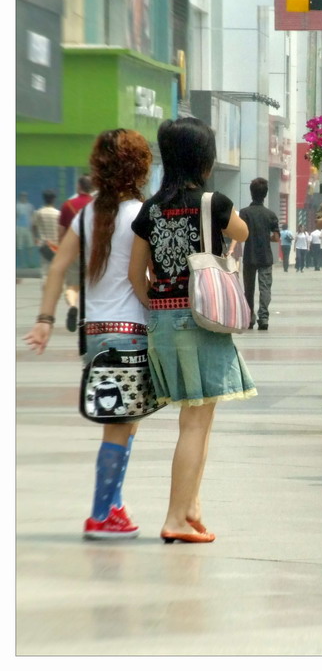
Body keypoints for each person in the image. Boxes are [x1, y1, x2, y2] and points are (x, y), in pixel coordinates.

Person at [128, 117, 256, 544]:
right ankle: (175, 518)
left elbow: (136, 274)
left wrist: (158, 307)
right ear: (205, 158)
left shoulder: (150, 208)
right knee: (196, 423)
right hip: (202, 318)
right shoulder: (212, 201)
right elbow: (242, 231)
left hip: (163, 322)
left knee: (196, 417)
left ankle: (191, 507)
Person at [24, 128, 153, 539]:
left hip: (95, 334)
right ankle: (100, 514)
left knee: (125, 421)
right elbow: (142, 278)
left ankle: (113, 505)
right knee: (120, 425)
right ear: (139, 166)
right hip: (130, 332)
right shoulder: (141, 214)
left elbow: (58, 268)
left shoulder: (88, 212)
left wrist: (45, 319)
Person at [237, 178, 280, 331]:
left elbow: (241, 234)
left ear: (251, 193)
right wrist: (265, 236)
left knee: (248, 289)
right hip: (266, 257)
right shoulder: (270, 214)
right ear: (265, 194)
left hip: (249, 256)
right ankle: (264, 318)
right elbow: (276, 237)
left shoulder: (244, 213)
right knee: (265, 289)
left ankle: (250, 318)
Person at [59, 175, 94, 332]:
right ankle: (89, 317)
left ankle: (73, 306)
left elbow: (61, 232)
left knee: (72, 286)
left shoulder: (67, 205)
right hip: (92, 251)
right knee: (91, 286)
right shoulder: (96, 204)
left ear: (79, 187)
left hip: (73, 251)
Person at [31, 189, 61, 283]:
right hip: (56, 246)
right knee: (55, 269)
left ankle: (45, 288)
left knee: (45, 270)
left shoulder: (38, 213)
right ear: (54, 199)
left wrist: (35, 239)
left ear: (44, 199)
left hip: (44, 245)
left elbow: (33, 227)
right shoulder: (58, 213)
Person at [16, 192, 36, 269]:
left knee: (30, 246)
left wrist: (33, 229)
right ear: (20, 197)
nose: (24, 197)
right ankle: (22, 263)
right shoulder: (17, 206)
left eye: (25, 196)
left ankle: (31, 262)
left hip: (28, 228)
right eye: (22, 196)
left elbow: (32, 217)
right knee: (20, 246)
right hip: (19, 228)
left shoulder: (30, 206)